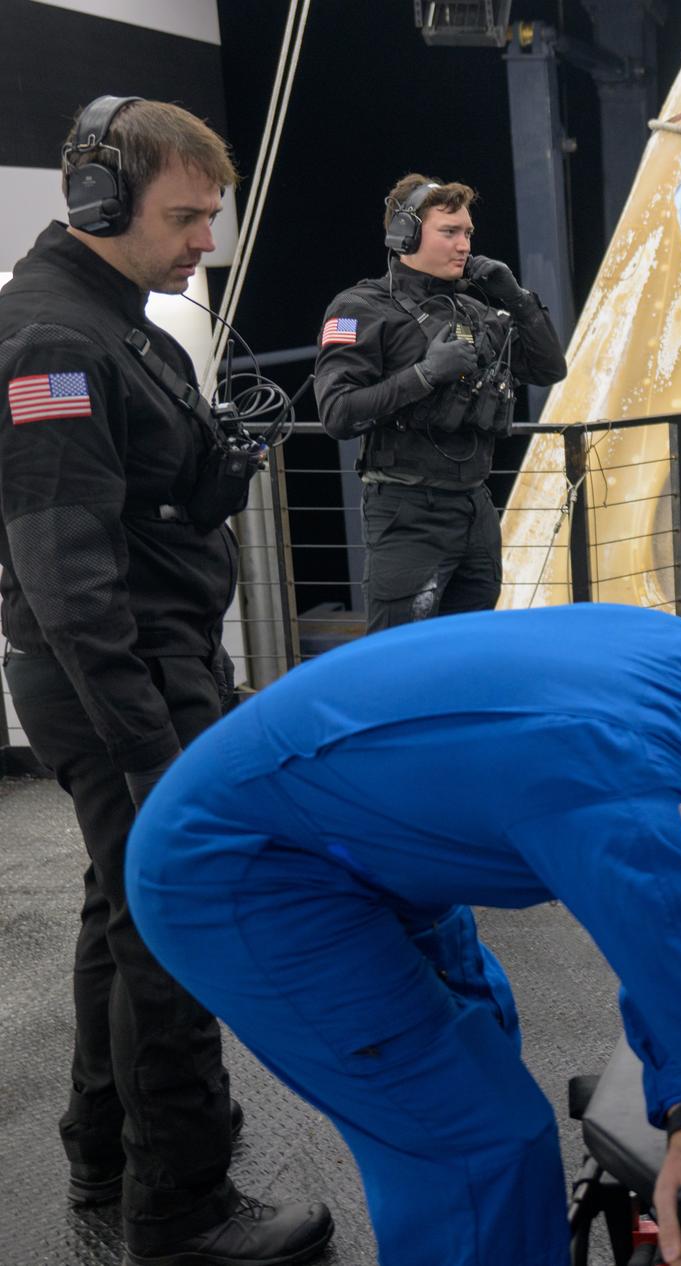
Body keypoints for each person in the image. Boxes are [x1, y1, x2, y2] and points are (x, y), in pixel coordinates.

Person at [124, 589, 681, 1266]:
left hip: (347, 846)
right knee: (476, 1141)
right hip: (244, 871)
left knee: (485, 1030)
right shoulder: (626, 768)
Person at [0, 96, 331, 1264]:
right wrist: (154, 759)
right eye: (186, 217)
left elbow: (131, 511)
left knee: (119, 909)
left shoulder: (114, 319)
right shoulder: (54, 341)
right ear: (98, 205)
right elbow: (69, 588)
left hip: (151, 660)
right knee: (174, 923)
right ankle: (180, 1207)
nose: (207, 242)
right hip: (122, 680)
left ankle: (103, 1148)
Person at [315, 173, 567, 631]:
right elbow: (337, 414)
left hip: (474, 508)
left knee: (467, 648)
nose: (464, 244)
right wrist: (426, 375)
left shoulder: (475, 308)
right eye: (449, 232)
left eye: (467, 232)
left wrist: (518, 299)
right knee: (399, 656)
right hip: (407, 509)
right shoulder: (360, 308)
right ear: (405, 235)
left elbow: (550, 370)